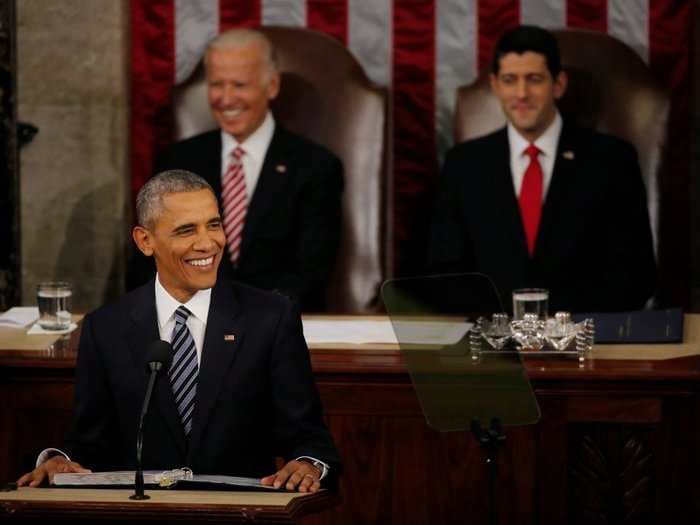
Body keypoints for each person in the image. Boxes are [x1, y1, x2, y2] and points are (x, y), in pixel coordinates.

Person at [18, 170, 340, 492]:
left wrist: (308, 463)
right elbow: (90, 441)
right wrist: (60, 460)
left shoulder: (270, 318)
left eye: (214, 225)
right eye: (187, 230)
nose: (207, 243)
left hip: (240, 511)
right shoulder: (105, 328)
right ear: (145, 241)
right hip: (143, 513)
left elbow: (309, 437)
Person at [429, 25, 656, 313]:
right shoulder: (463, 165)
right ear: (496, 86)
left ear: (558, 84)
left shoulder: (612, 160)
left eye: (534, 79)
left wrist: (554, 326)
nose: (522, 93)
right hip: (492, 345)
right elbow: (444, 274)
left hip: (586, 341)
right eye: (510, 80)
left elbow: (637, 275)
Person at [135, 28, 344, 312]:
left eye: (240, 85)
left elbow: (311, 273)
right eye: (217, 84)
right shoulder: (178, 160)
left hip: (277, 327)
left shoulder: (316, 167)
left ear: (271, 86)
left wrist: (245, 325)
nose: (226, 98)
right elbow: (151, 261)